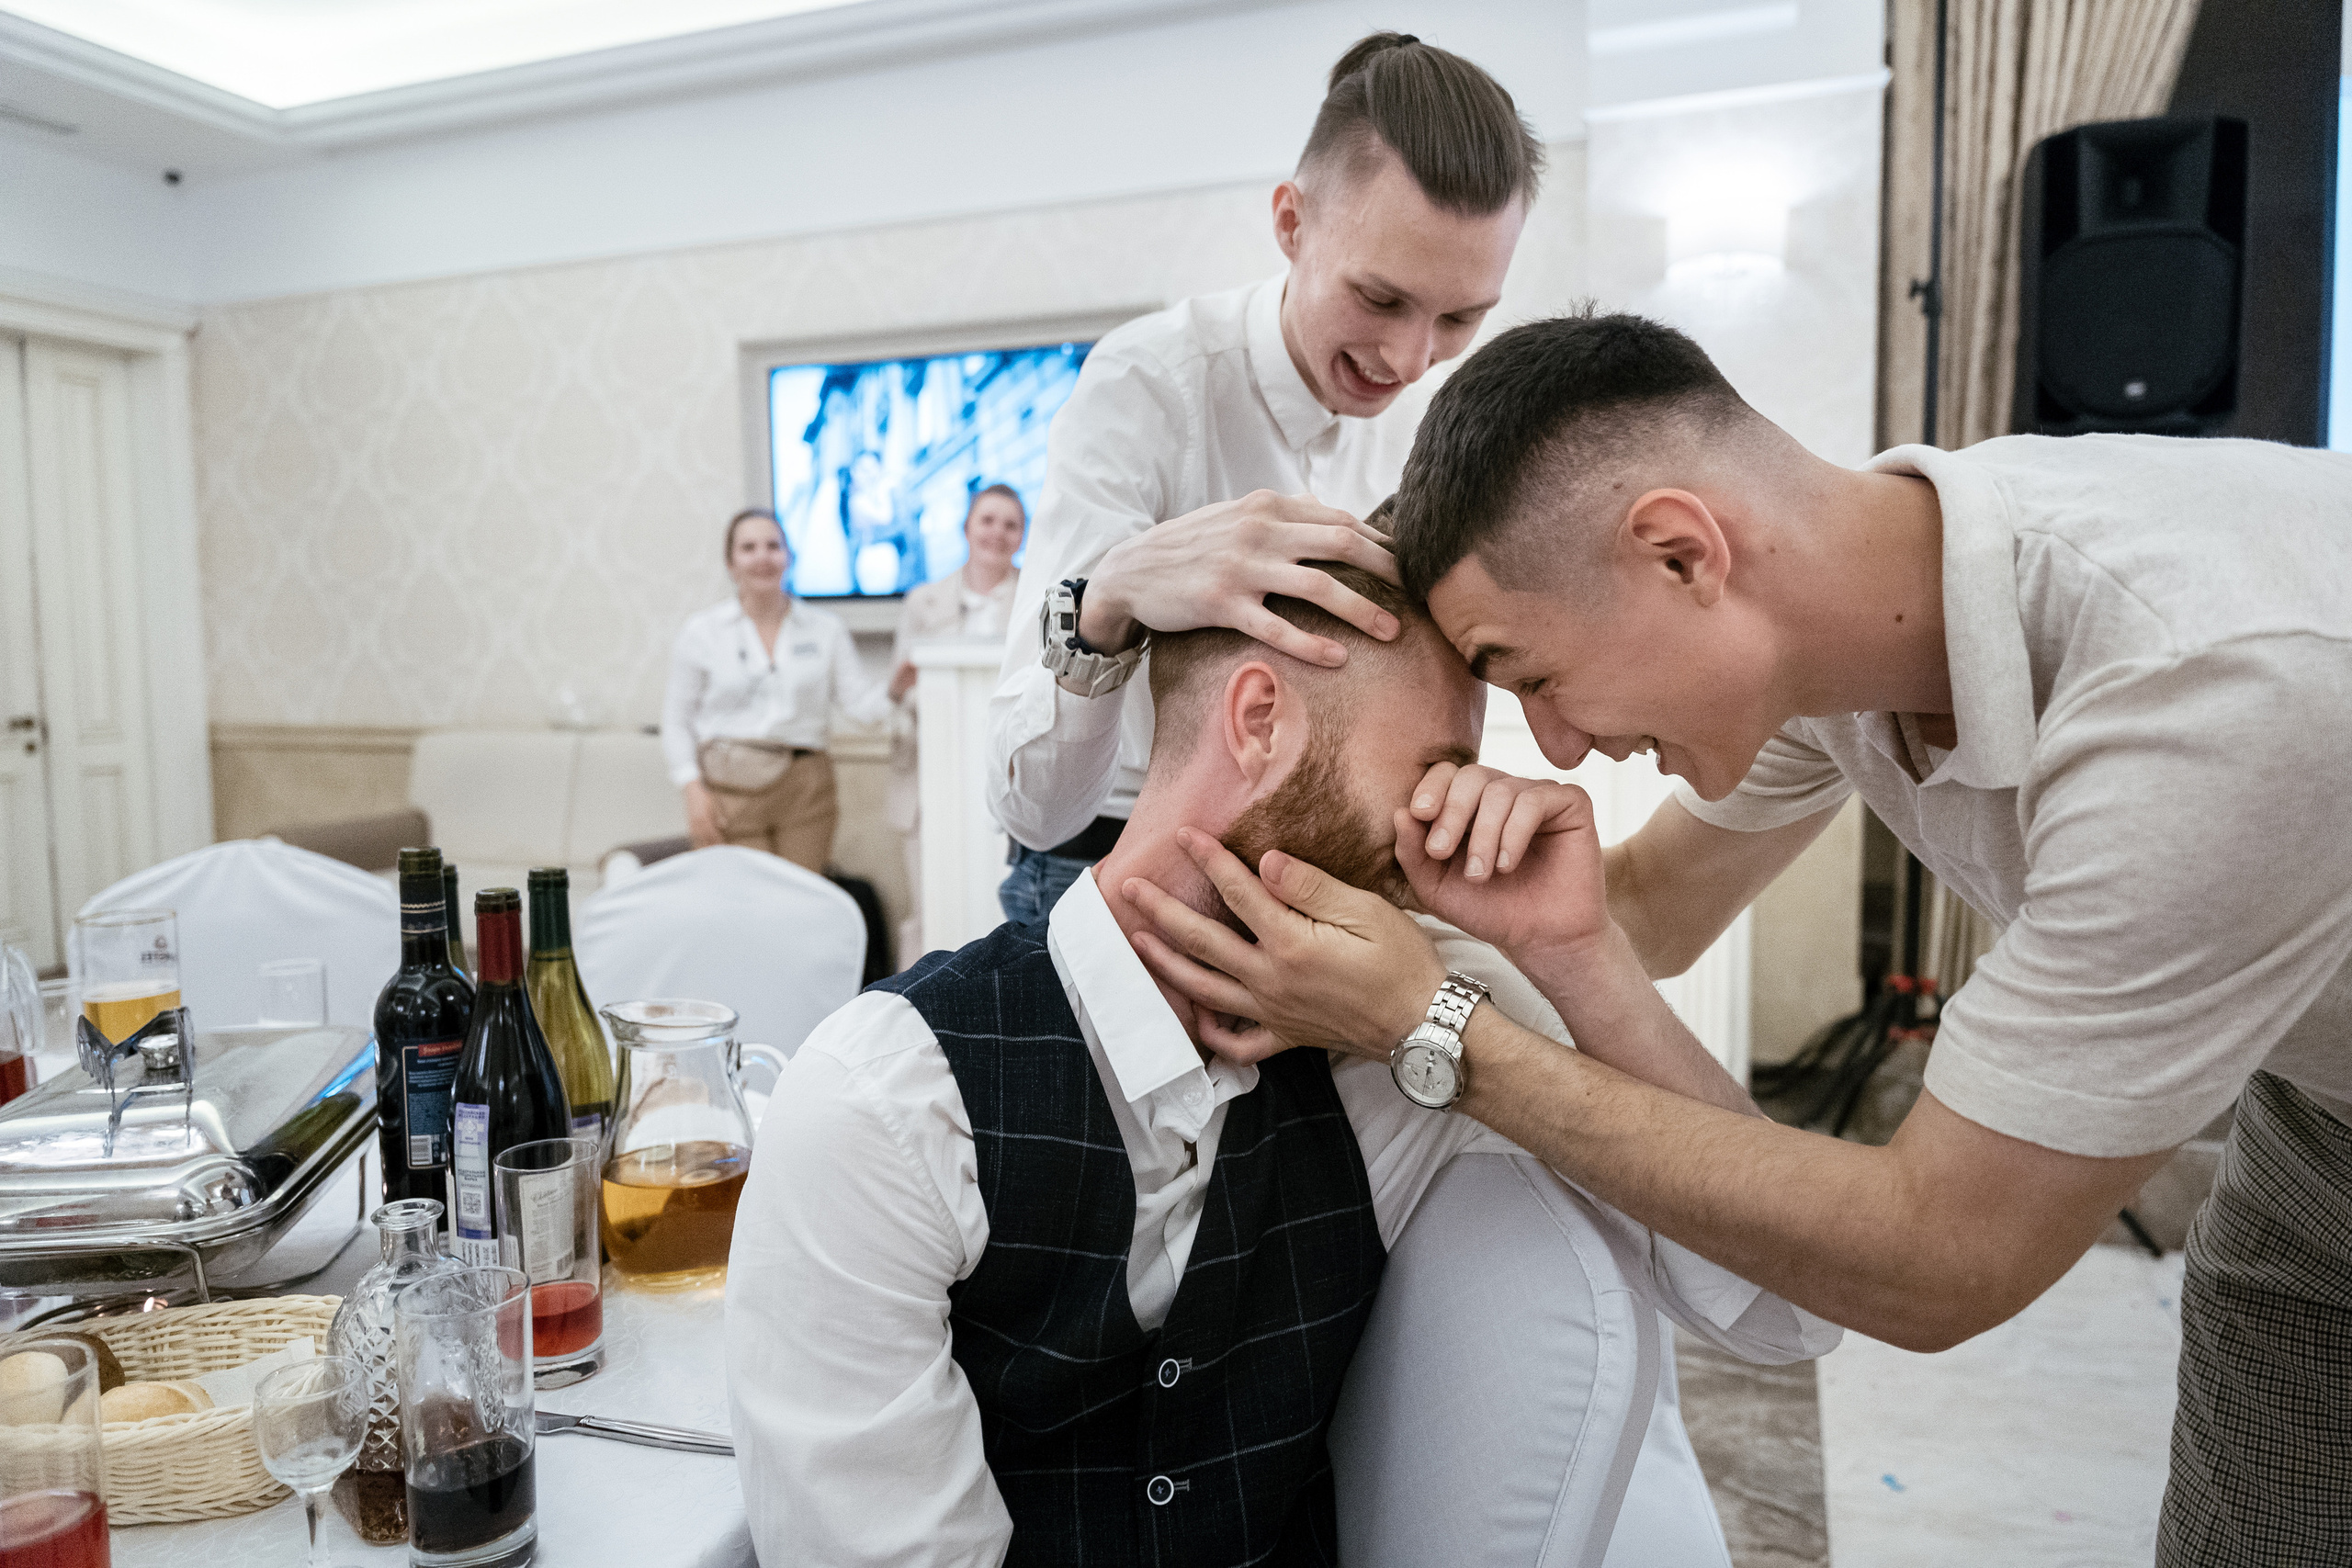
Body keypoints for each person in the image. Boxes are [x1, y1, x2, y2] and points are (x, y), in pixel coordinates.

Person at [1123, 310, 2352, 1566]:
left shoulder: (2212, 695)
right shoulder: (1841, 628)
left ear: (1679, 551)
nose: (1551, 745)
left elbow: (1942, 1258)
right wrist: (1379, 917)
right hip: (2317, 1116)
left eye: (1528, 672)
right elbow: (1646, 905)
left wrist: (1430, 1025)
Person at [727, 560, 1834, 1567]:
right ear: (1259, 719)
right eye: (1434, 771)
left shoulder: (1399, 1037)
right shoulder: (884, 1103)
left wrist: (1573, 956)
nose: (1443, 826)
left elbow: (1785, 1307)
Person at [985, 29, 1541, 923]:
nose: (1408, 358)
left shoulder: (1434, 417)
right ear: (1290, 222)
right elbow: (1033, 810)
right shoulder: (1148, 386)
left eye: (1458, 318)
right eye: (1380, 298)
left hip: (1320, 886)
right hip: (1102, 868)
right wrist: (1111, 598)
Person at [662, 507, 891, 873]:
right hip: (729, 789)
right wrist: (691, 788)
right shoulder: (702, 632)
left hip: (806, 790)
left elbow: (861, 704)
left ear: (789, 556)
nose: (762, 557)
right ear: (730, 561)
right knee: (740, 904)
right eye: (748, 548)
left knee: (800, 905)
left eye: (773, 546)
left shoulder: (825, 629)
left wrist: (901, 688)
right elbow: (676, 720)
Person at [886, 484, 1027, 960]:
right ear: (967, 527)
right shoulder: (923, 602)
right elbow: (897, 691)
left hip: (1011, 780)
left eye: (1010, 523)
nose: (997, 532)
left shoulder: (1037, 599)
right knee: (932, 910)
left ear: (1023, 535)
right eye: (988, 520)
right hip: (935, 782)